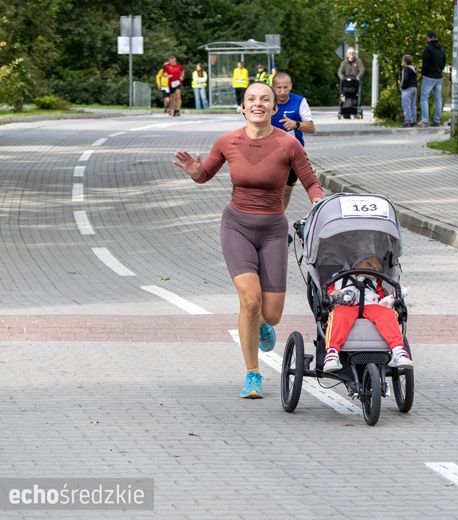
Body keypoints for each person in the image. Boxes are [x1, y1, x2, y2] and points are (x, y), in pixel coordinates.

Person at [173, 82, 324, 399]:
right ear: (242, 107)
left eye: (265, 99)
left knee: (272, 314)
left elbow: (310, 181)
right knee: (250, 300)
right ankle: (252, 373)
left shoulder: (289, 144)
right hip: (237, 227)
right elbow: (204, 175)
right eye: (251, 99)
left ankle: (262, 325)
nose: (258, 103)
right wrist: (194, 170)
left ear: (273, 108)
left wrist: (319, 204)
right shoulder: (228, 141)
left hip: (273, 230)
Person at [323, 254, 413, 373]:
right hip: (346, 305)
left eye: (376, 269)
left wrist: (388, 300)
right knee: (338, 315)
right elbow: (329, 293)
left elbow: (380, 296)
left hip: (370, 304)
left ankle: (398, 351)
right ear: (356, 263)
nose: (372, 269)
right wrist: (336, 295)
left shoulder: (375, 281)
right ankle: (332, 353)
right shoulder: (338, 277)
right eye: (369, 264)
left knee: (387, 314)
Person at [270, 71, 315, 209]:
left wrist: (296, 124)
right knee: (270, 190)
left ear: (291, 86)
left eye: (286, 87)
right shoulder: (267, 102)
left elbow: (311, 127)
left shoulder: (299, 102)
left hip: (293, 155)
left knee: (286, 191)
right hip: (269, 154)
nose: (282, 91)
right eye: (279, 87)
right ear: (273, 87)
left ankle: (278, 218)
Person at [420, 30, 445, 127]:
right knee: (438, 99)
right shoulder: (441, 49)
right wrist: (439, 71)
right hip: (438, 77)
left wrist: (423, 73)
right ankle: (437, 121)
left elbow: (425, 63)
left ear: (428, 37)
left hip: (429, 77)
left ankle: (425, 121)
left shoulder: (428, 48)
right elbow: (443, 63)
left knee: (424, 98)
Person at [400, 54, 418, 127]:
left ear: (405, 61)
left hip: (407, 89)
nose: (402, 61)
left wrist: (402, 87)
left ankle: (407, 121)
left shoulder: (406, 69)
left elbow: (405, 79)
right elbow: (415, 80)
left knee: (406, 105)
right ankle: (413, 121)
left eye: (402, 60)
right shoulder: (413, 69)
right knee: (413, 105)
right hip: (414, 88)